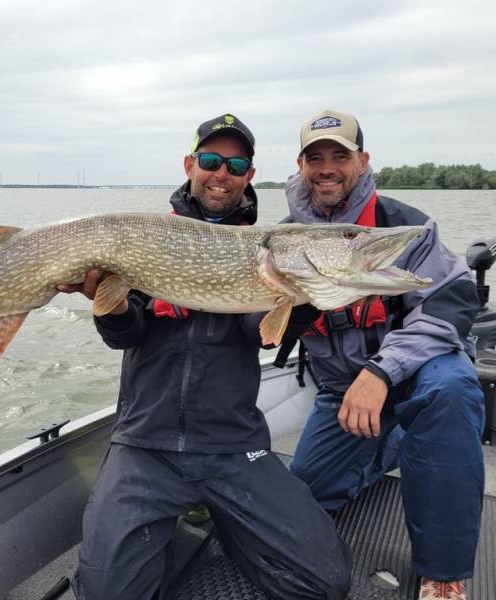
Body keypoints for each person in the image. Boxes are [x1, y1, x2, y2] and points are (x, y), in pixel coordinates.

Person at [59, 114, 352, 600]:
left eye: (236, 165)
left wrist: (302, 298)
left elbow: (260, 335)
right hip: (145, 444)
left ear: (249, 177)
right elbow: (124, 335)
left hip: (232, 445)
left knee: (324, 583)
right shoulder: (144, 237)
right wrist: (106, 304)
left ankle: (233, 529)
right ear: (191, 164)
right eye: (212, 161)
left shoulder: (261, 251)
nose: (222, 174)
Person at [282, 109, 485, 600]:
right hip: (342, 393)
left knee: (452, 391)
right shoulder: (284, 239)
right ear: (301, 165)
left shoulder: (405, 226)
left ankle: (443, 572)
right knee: (302, 499)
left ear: (362, 160)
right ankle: (393, 444)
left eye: (340, 156)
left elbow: (452, 299)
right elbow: (267, 331)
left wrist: (381, 371)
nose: (327, 167)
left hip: (414, 375)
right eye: (316, 158)